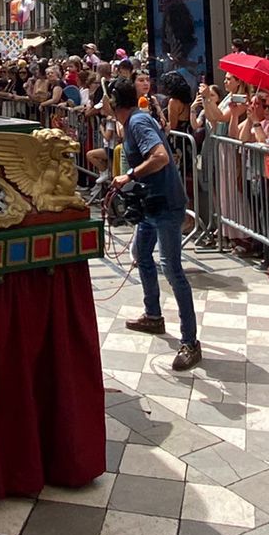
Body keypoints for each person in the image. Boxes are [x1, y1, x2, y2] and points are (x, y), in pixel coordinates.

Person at [113, 80, 200, 372]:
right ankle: (153, 314)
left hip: (166, 203)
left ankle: (190, 342)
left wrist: (130, 175)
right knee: (141, 253)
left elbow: (160, 157)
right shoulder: (134, 122)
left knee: (172, 269)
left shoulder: (137, 123)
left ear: (115, 104)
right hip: (151, 202)